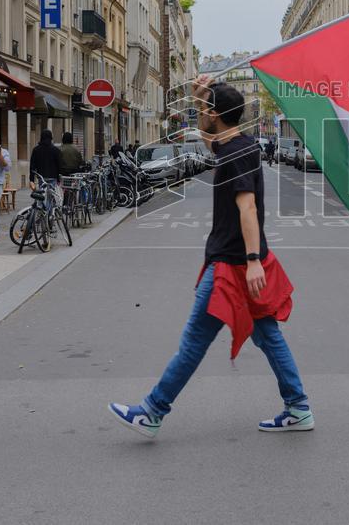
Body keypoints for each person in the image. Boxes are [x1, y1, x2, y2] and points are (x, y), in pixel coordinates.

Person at [108, 78, 312, 439]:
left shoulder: (235, 154)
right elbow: (210, 138)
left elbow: (247, 206)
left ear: (217, 115)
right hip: (240, 262)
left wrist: (251, 261)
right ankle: (298, 407)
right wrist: (202, 98)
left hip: (231, 266)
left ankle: (154, 410)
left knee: (195, 340)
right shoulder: (240, 145)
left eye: (205, 111)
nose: (201, 118)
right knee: (268, 335)